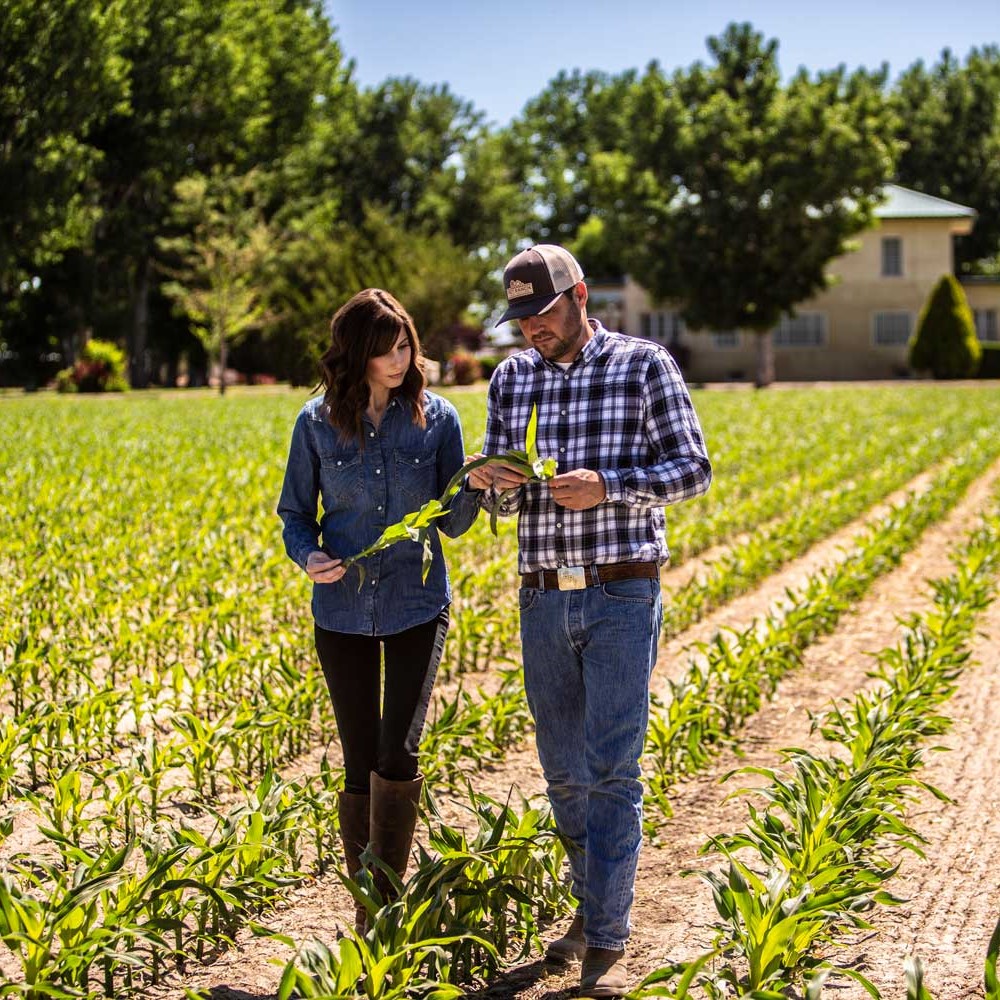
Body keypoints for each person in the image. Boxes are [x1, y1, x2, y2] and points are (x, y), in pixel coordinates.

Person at [467, 245, 712, 998]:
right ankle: (591, 906)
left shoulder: (643, 365)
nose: (531, 330)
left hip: (620, 592)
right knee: (564, 774)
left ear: (579, 295)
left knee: (612, 769)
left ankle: (605, 931)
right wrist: (492, 482)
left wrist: (609, 486)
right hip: (541, 594)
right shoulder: (512, 379)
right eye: (521, 319)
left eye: (541, 313)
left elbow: (693, 469)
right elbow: (501, 504)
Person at [277, 288, 480, 931]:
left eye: (406, 347)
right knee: (359, 751)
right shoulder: (315, 423)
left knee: (399, 752)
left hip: (417, 602)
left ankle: (388, 903)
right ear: (357, 353)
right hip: (340, 611)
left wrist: (473, 484)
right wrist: (308, 555)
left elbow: (454, 523)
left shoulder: (437, 418)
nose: (400, 359)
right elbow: (293, 516)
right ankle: (373, 912)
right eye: (386, 349)